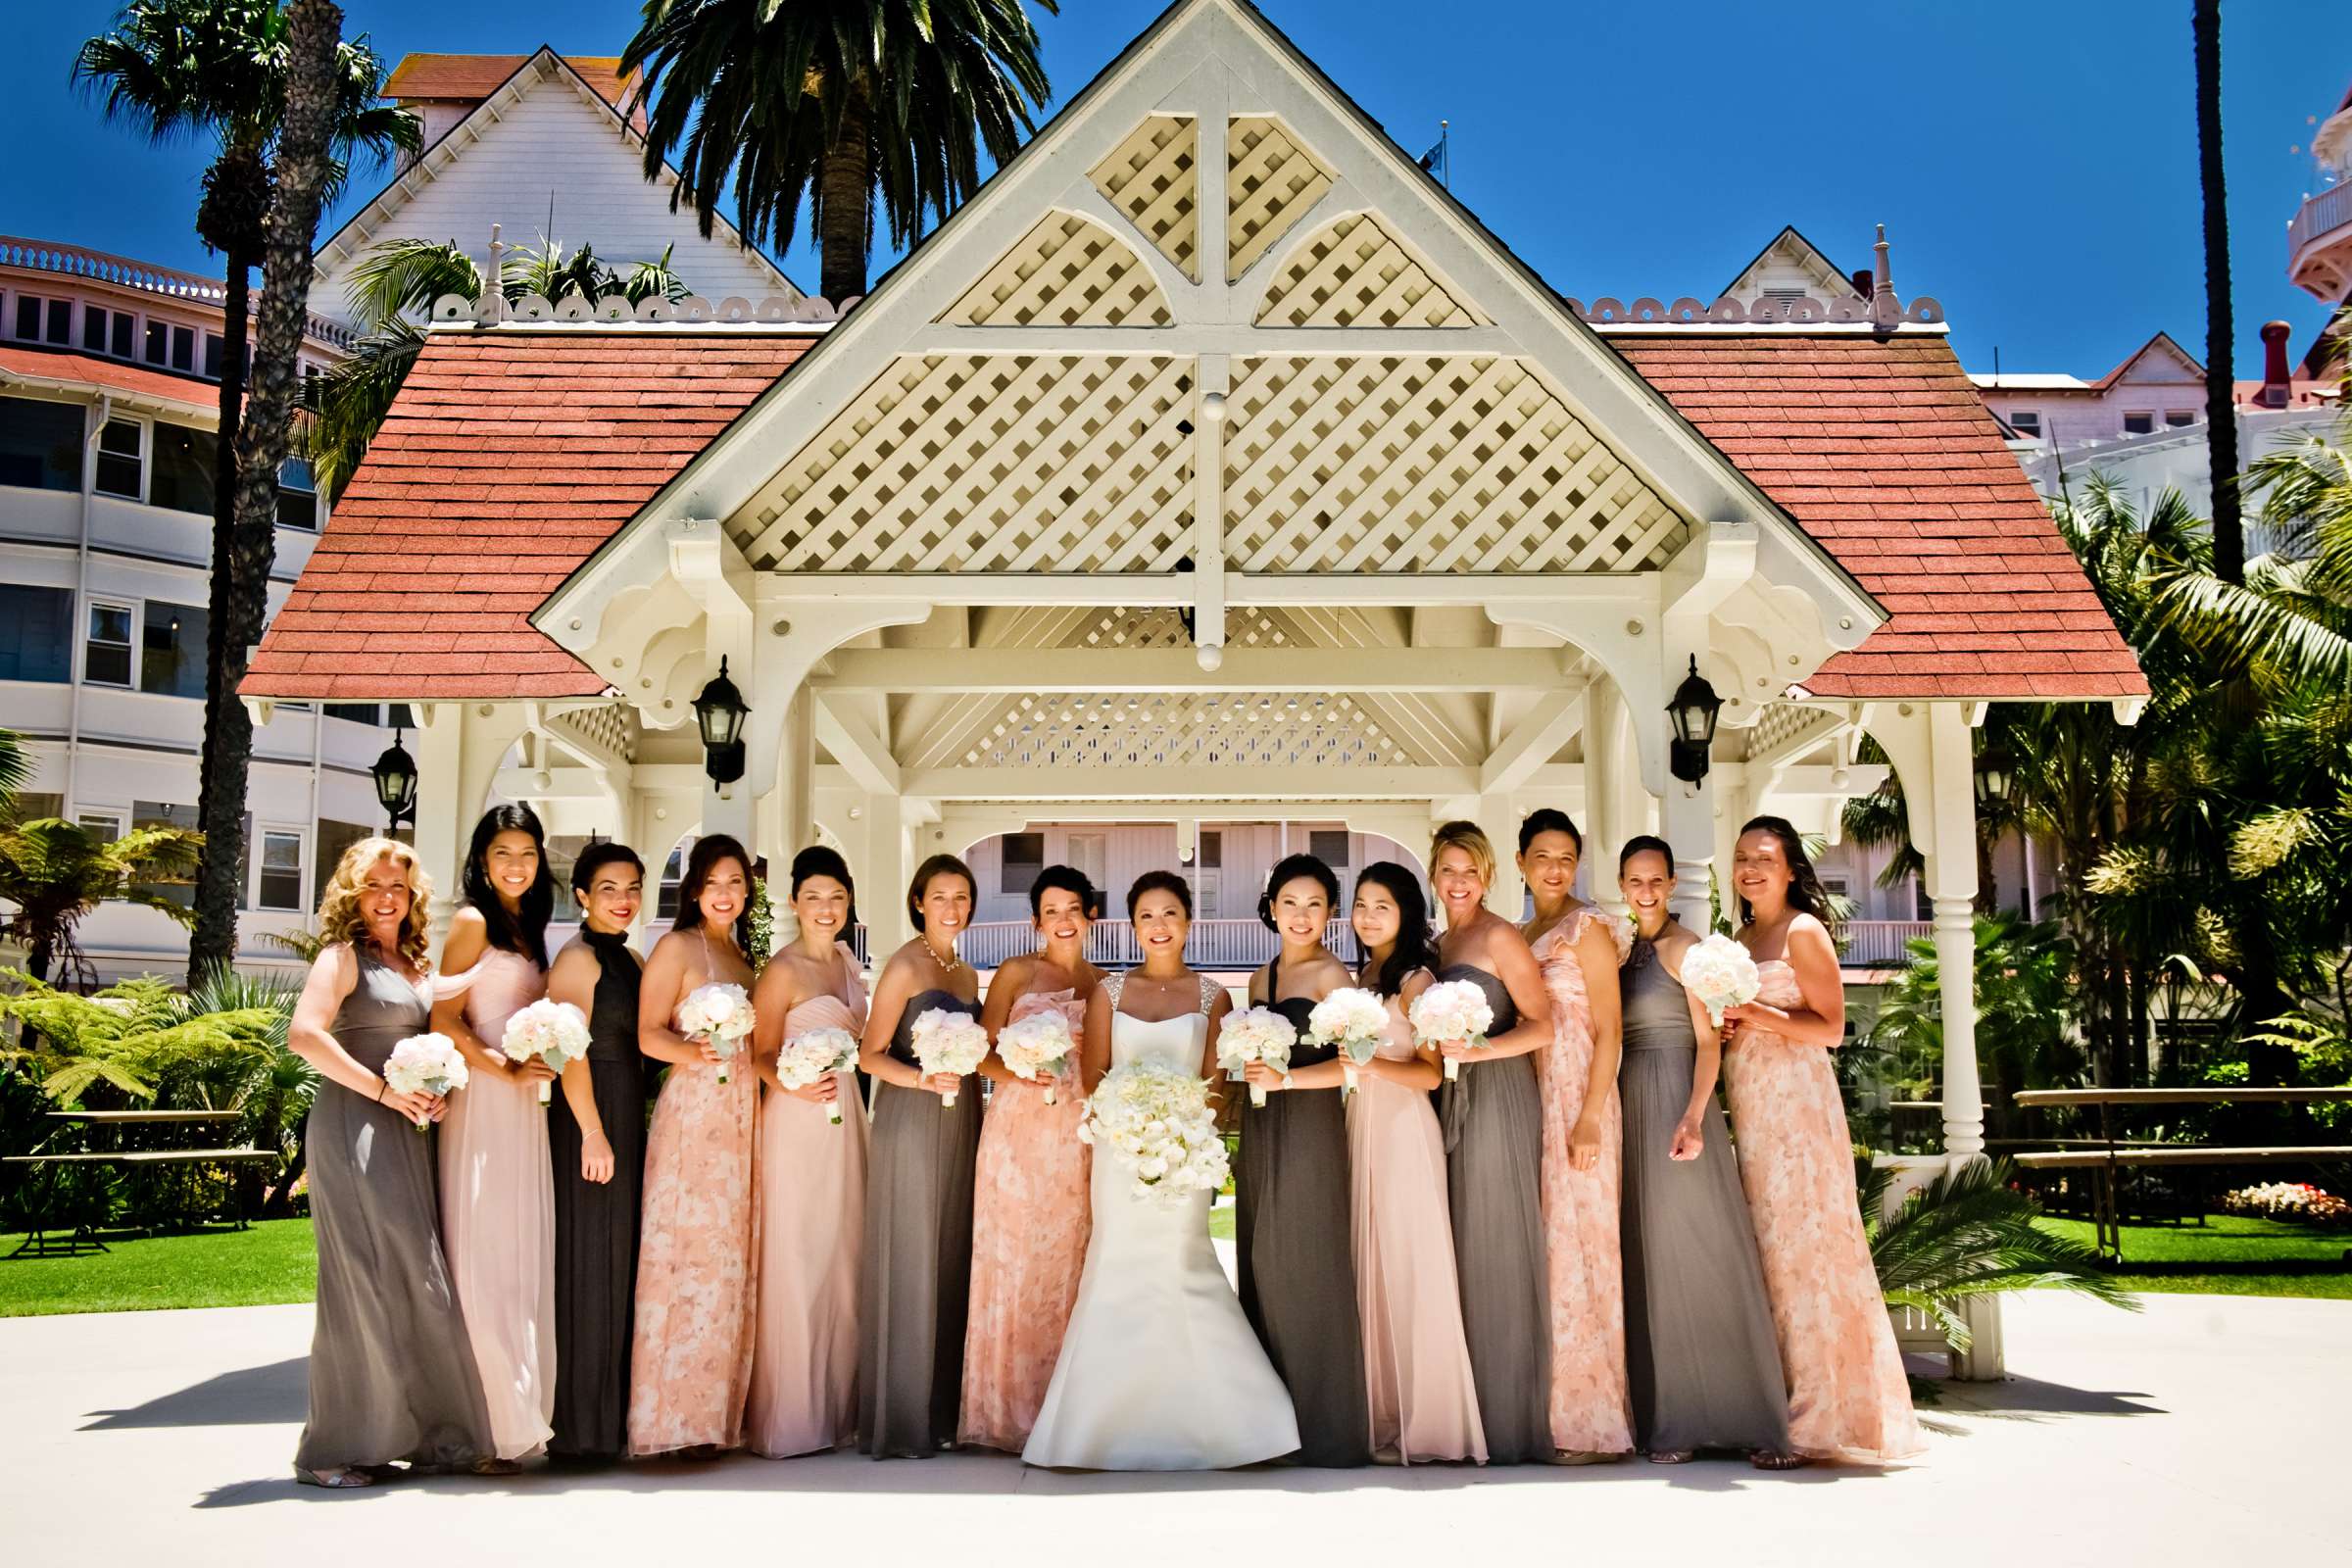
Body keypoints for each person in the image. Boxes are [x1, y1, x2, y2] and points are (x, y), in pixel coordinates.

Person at [1023, 872, 1299, 1471]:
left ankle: (1235, 1425)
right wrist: (1131, 1119)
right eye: (1147, 915)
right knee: (1116, 1268)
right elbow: (1094, 1076)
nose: (1159, 926)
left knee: (1183, 1267)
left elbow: (1216, 1085)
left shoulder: (1212, 997)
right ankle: (1094, 1429)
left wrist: (1175, 1124)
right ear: (1132, 925)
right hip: (1119, 1157)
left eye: (1170, 913)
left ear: (1188, 922)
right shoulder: (1110, 993)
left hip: (1184, 1156)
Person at [286, 838, 492, 1487]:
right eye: (373, 885)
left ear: (412, 896)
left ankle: (435, 1438)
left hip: (406, 1128)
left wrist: (435, 1091)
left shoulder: (414, 961)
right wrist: (381, 1091)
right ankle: (333, 1450)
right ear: (353, 892)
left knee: (417, 1274)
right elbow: (305, 1035)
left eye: (397, 887)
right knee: (364, 1280)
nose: (385, 897)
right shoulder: (340, 957)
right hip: (354, 1127)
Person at [1721, 816, 1924, 1464]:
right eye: (1742, 858)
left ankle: (1815, 1426)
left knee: (1807, 1257)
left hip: (1799, 1112)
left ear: (1789, 870)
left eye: (1765, 858)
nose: (1751, 868)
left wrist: (1754, 1014)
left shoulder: (1803, 931)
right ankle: (1781, 1406)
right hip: (1752, 1109)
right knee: (1773, 1261)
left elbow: (1831, 1028)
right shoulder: (1742, 936)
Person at [1614, 837, 1792, 1465]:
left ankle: (1742, 1417)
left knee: (1695, 1250)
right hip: (1629, 1099)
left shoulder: (1687, 949)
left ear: (1670, 883)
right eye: (1635, 880)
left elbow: (1709, 1041)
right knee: (1648, 1256)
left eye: (1656, 880)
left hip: (1675, 1103)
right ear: (1622, 883)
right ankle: (1669, 1416)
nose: (1646, 891)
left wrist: (1693, 1115)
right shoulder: (1620, 948)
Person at [430, 805, 560, 1467]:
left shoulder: (528, 927)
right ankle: (488, 1422)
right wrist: (502, 1067)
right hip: (485, 1099)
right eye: (504, 852)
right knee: (485, 1253)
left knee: (517, 1252)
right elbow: (444, 1018)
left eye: (528, 853)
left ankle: (520, 1411)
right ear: (483, 859)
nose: (516, 864)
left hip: (525, 1105)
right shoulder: (473, 921)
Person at [959, 865, 1103, 1453]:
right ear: (1036, 921)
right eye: (1052, 911)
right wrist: (1022, 1068)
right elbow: (978, 1053)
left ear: (1091, 915)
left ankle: (1059, 1405)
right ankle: (1004, 1411)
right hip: (1018, 1131)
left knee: (1067, 1261)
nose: (1063, 921)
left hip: (1077, 1136)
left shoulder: (1103, 985)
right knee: (1014, 1261)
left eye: (1074, 909)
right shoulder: (1016, 973)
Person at [1234, 853, 1371, 1467]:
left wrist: (1288, 1083)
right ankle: (1271, 1422)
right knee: (1260, 1259)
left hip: (1310, 1124)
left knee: (1302, 1261)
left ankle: (1323, 1426)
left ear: (1331, 913)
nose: (1301, 915)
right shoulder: (1261, 977)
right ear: (1270, 908)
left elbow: (1355, 1063)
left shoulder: (1331, 975)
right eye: (1290, 902)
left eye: (1315, 904)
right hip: (1264, 1126)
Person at [1347, 862, 1486, 1465]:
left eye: (1382, 905)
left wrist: (1367, 1063)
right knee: (1373, 1267)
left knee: (1410, 1265)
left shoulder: (1414, 979)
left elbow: (1430, 1072)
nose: (1369, 916)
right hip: (1363, 1125)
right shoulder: (1365, 973)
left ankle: (1429, 1422)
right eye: (1360, 904)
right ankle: (1383, 1414)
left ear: (1405, 913)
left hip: (1404, 1126)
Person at [628, 835, 761, 1457]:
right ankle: (666, 1423)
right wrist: (695, 1051)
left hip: (739, 1121)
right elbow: (648, 1033)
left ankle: (711, 1420)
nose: (725, 893)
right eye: (713, 882)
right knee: (684, 1258)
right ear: (694, 889)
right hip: (691, 1118)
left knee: (726, 1261)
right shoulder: (676, 946)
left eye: (735, 882)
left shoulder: (741, 959)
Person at [1427, 820, 1555, 1463]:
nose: (1459, 882)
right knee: (1460, 1245)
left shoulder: (1501, 935)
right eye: (1449, 869)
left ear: (1488, 876)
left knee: (1497, 1241)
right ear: (1434, 873)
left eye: (1470, 871)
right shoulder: (1439, 940)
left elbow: (1543, 1025)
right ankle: (1465, 1405)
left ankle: (1511, 1416)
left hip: (1500, 1096)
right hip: (1450, 1097)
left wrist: (1481, 1049)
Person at [858, 854, 985, 1457]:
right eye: (940, 897)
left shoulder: (964, 971)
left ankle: (939, 1411)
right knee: (911, 1259)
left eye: (961, 897)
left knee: (950, 1255)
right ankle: (900, 1417)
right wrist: (920, 1082)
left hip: (963, 1122)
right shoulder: (906, 966)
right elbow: (870, 1054)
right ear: (918, 902)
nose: (952, 908)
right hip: (911, 1119)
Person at [1516, 809, 1632, 1461]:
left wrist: (1590, 1115)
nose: (1555, 868)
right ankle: (1547, 1408)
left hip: (1577, 1095)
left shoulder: (1587, 928)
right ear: (1522, 862)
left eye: (1566, 857)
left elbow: (1609, 1029)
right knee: (1549, 1251)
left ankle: (1592, 1422)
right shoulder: (1521, 930)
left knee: (1585, 1250)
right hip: (1529, 1095)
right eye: (1543, 856)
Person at [747, 846, 870, 1458]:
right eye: (814, 898)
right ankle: (790, 1416)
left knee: (841, 1257)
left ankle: (836, 1409)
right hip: (796, 1121)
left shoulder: (849, 963)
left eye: (837, 898)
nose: (826, 909)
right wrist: (792, 1085)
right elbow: (760, 1052)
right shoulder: (783, 970)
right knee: (796, 1257)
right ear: (794, 903)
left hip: (846, 1119)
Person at [541, 841, 650, 1464]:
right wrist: (592, 1132)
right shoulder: (578, 960)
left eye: (632, 887)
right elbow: (567, 1052)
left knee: (620, 1260)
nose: (623, 899)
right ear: (582, 895)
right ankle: (580, 1431)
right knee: (590, 1259)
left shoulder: (631, 955)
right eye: (608, 888)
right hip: (591, 1113)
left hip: (626, 1106)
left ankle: (612, 1422)